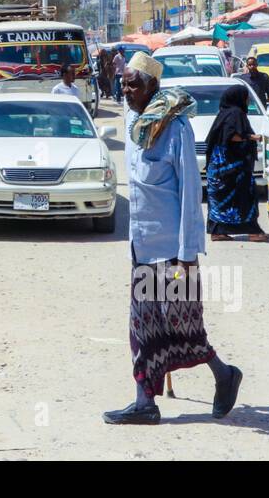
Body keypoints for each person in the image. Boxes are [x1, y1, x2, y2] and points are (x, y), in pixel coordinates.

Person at [103, 52, 242, 426]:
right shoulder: (134, 122)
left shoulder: (175, 127)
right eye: (125, 82)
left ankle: (224, 375)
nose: (126, 89)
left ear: (152, 87)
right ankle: (144, 402)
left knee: (184, 327)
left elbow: (189, 193)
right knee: (142, 326)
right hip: (142, 247)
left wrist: (187, 255)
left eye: (134, 83)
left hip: (172, 252)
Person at [205, 86, 267, 242]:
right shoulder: (235, 113)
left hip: (221, 168)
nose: (247, 100)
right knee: (244, 197)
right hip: (232, 169)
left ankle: (218, 231)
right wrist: (254, 138)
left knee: (221, 200)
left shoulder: (224, 113)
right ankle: (253, 232)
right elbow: (232, 136)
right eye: (246, 97)